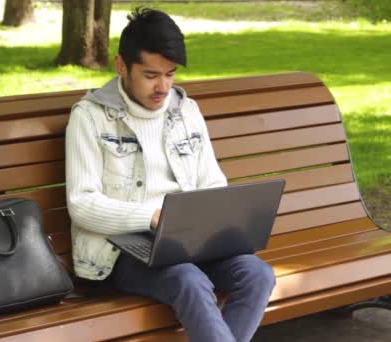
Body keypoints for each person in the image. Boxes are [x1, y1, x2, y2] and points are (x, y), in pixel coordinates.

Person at [65, 7, 275, 342]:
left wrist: (217, 219)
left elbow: (213, 183)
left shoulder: (186, 111)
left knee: (258, 275)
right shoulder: (90, 118)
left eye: (170, 74)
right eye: (150, 75)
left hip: (190, 241)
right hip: (121, 250)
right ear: (122, 65)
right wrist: (152, 217)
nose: (163, 86)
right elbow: (82, 204)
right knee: (190, 281)